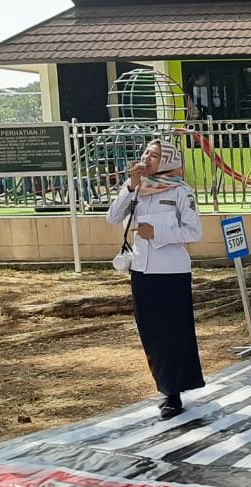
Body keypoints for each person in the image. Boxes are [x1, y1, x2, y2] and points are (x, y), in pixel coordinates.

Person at [105, 139, 204, 420]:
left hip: (172, 272)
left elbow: (194, 231)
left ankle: (173, 393)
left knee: (174, 333)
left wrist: (157, 233)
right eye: (147, 153)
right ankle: (164, 385)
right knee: (151, 333)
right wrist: (130, 186)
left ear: (168, 161)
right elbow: (113, 217)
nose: (148, 158)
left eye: (156, 155)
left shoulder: (181, 191)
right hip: (142, 271)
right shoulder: (137, 188)